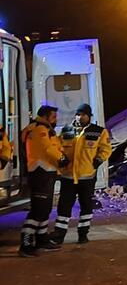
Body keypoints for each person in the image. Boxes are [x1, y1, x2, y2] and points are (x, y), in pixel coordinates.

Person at [51, 104, 111, 245]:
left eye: (83, 114)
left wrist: (98, 160)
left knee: (86, 206)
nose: (80, 117)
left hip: (87, 177)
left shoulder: (98, 132)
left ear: (89, 116)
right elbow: (57, 147)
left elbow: (106, 149)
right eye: (78, 114)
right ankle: (59, 235)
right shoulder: (67, 130)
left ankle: (83, 234)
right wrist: (61, 159)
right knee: (64, 206)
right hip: (68, 177)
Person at [19, 106, 68, 257]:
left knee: (45, 210)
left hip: (46, 173)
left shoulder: (42, 128)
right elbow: (48, 149)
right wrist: (62, 159)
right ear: (45, 117)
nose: (56, 119)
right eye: (53, 116)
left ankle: (41, 239)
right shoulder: (40, 130)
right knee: (38, 210)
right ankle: (26, 244)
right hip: (41, 173)